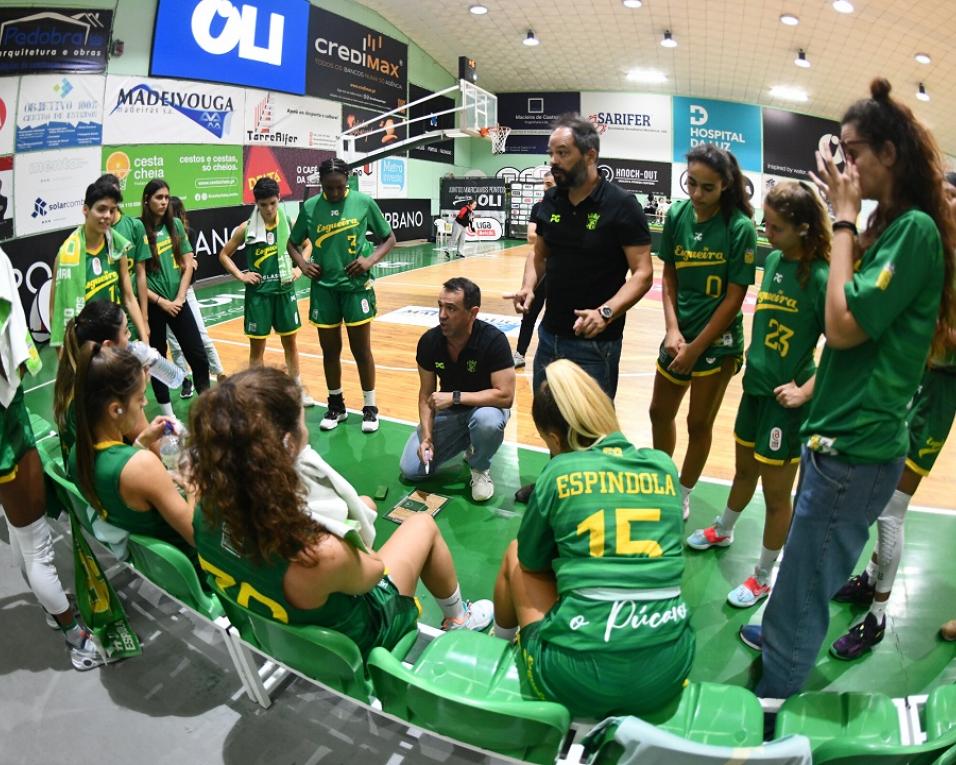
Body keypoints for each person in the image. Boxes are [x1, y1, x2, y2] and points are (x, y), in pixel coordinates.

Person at [740, 78, 955, 700]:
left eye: (854, 151)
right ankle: (779, 634)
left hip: (858, 445)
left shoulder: (912, 230)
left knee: (809, 580)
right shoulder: (891, 228)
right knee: (804, 570)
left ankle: (775, 699)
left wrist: (840, 218)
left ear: (890, 154)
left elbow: (841, 324)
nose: (847, 164)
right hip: (837, 435)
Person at [189, 366, 494, 657]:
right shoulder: (321, 553)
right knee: (422, 525)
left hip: (271, 632)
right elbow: (373, 571)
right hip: (353, 642)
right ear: (288, 444)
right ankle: (458, 618)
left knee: (367, 504)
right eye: (300, 420)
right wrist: (349, 528)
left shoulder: (206, 509)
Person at [492, 359, 694, 718]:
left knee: (515, 554)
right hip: (669, 672)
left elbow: (533, 562)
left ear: (555, 439)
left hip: (575, 678)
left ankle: (498, 647)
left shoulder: (558, 471)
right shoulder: (664, 466)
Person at [827, 172, 956, 660]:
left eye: (951, 195)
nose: (942, 202)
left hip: (939, 389)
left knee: (889, 509)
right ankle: (871, 578)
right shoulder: (927, 248)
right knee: (885, 501)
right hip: (917, 385)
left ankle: (878, 617)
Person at [686, 181, 831, 609]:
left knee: (776, 496)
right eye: (765, 223)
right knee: (743, 470)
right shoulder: (771, 264)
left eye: (777, 226)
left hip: (785, 406)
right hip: (754, 390)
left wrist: (806, 391)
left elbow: (844, 348)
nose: (768, 232)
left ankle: (764, 575)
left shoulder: (821, 277)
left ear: (803, 228)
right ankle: (725, 528)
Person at [507, 113, 653, 504]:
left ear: (590, 155)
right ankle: (555, 484)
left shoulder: (621, 206)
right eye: (551, 152)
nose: (553, 161)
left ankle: (590, 499)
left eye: (563, 153)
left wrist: (605, 312)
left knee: (591, 428)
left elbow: (642, 274)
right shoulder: (551, 199)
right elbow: (539, 255)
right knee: (551, 419)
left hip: (595, 344)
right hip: (551, 336)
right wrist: (528, 286)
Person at [0, 244, 100, 671]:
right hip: (5, 430)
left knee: (18, 529)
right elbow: (11, 361)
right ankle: (75, 636)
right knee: (34, 544)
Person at [648, 144, 757, 521]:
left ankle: (682, 492)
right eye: (690, 183)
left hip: (718, 341)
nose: (695, 194)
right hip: (680, 335)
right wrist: (672, 329)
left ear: (726, 185)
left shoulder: (740, 228)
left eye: (706, 188)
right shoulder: (678, 214)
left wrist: (696, 347)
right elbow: (669, 275)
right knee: (658, 412)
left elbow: (735, 297)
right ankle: (663, 481)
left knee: (699, 424)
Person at [288, 157, 396, 433]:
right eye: (328, 188)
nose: (334, 193)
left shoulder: (363, 202)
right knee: (330, 350)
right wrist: (302, 264)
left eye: (339, 187)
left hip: (356, 288)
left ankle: (370, 407)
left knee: (362, 350)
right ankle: (336, 405)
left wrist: (369, 261)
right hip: (324, 291)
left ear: (347, 181)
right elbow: (292, 243)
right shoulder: (311, 207)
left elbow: (389, 238)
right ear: (321, 184)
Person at [68, 342, 195, 555]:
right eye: (140, 398)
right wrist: (192, 482)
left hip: (149, 561)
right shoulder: (142, 467)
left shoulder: (77, 453)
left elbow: (121, 478)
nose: (145, 402)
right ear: (116, 409)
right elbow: (195, 536)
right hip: (193, 561)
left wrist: (142, 442)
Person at [399, 278, 515, 502]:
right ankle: (469, 441)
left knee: (487, 421)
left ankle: (480, 467)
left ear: (472, 313)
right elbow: (426, 395)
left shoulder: (494, 341)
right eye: (440, 306)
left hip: (486, 409)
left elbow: (505, 396)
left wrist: (455, 397)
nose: (442, 315)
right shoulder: (429, 342)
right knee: (411, 469)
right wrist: (427, 437)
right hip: (450, 414)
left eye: (451, 308)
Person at [219, 177, 310, 402]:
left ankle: (296, 389)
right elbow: (223, 254)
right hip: (258, 297)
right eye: (263, 205)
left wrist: (300, 267)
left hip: (284, 293)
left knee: (290, 344)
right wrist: (241, 275)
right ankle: (257, 394)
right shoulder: (246, 228)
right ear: (256, 204)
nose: (269, 209)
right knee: (257, 349)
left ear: (279, 199)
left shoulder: (288, 222)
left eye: (272, 203)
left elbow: (308, 245)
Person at [48, 180, 149, 348]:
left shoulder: (117, 248)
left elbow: (129, 297)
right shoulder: (65, 255)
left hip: (115, 339)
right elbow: (54, 312)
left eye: (112, 210)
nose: (108, 215)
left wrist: (145, 338)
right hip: (86, 345)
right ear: (86, 210)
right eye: (101, 209)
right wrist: (64, 354)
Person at [139, 178, 210, 418]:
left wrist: (179, 298)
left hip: (178, 303)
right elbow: (135, 278)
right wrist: (160, 302)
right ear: (147, 200)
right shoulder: (138, 230)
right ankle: (168, 416)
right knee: (157, 360)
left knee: (198, 355)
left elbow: (188, 264)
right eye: (158, 197)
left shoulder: (176, 226)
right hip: (154, 306)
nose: (163, 202)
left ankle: (206, 407)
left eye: (166, 197)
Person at [53, 300, 143, 463]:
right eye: (126, 332)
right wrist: (136, 389)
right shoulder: (109, 389)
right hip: (105, 481)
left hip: (83, 477)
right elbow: (151, 446)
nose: (130, 338)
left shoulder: (72, 378)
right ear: (107, 345)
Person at [167, 195, 225, 396]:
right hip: (165, 297)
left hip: (186, 292)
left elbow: (189, 266)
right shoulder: (156, 237)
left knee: (202, 336)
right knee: (174, 344)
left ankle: (219, 372)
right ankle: (184, 380)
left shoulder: (187, 233)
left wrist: (188, 265)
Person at [97, 173, 151, 343]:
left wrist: (144, 318)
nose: (107, 213)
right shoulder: (91, 237)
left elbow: (141, 275)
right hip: (104, 319)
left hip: (129, 316)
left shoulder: (134, 227)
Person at [513, 172, 555, 369]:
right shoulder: (539, 207)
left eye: (550, 184)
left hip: (559, 272)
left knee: (555, 317)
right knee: (529, 313)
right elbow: (531, 236)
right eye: (545, 184)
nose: (546, 188)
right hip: (539, 269)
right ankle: (519, 354)